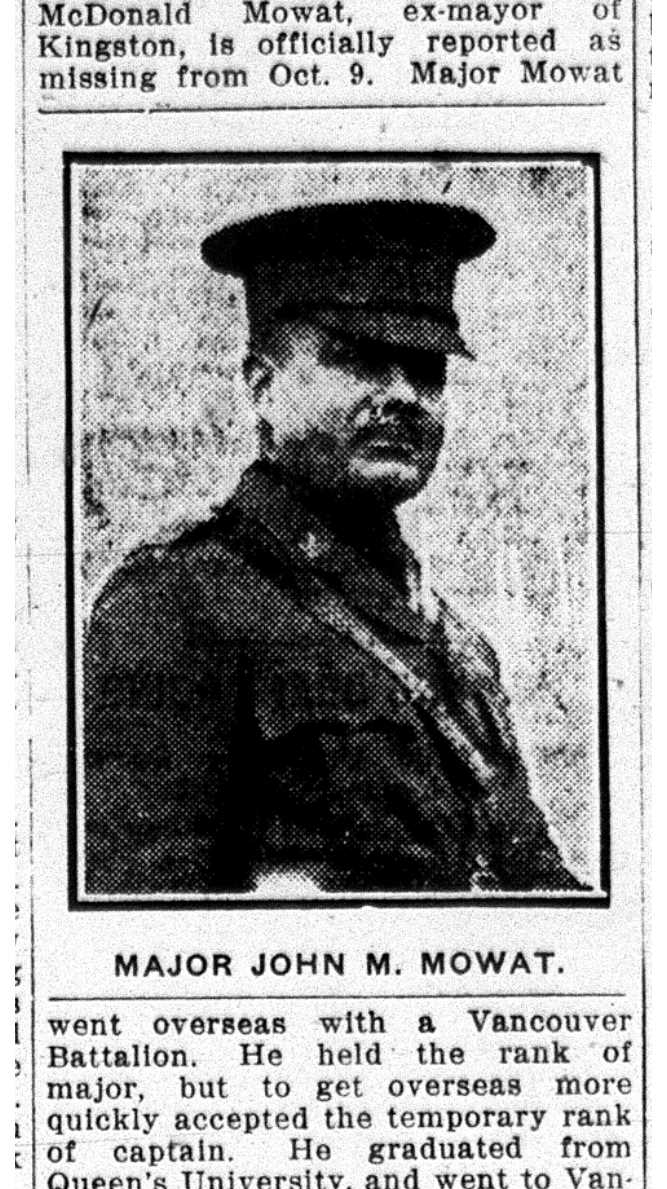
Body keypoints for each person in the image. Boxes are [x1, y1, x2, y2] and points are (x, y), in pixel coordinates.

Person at [83, 197, 583, 896]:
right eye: (358, 360)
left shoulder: (457, 645)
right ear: (263, 387)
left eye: (426, 370)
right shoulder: (177, 603)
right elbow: (135, 920)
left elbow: (540, 885)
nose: (404, 395)